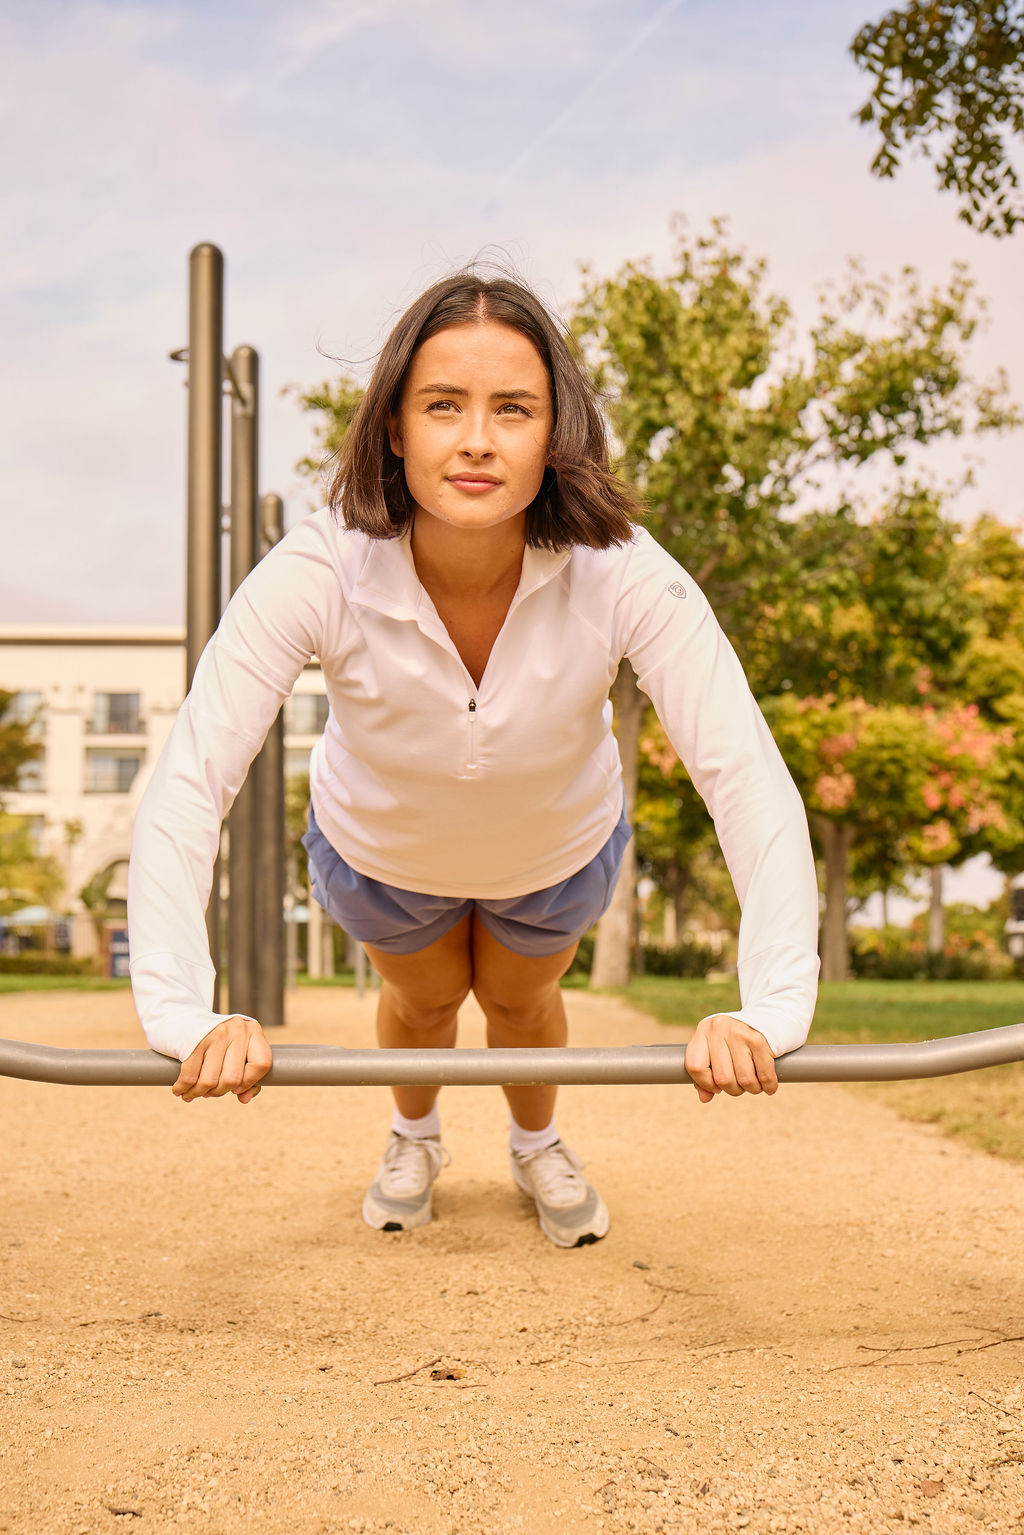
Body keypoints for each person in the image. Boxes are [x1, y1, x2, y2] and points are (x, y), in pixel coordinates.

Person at [127, 266, 821, 1250]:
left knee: (518, 998)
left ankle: (536, 1144)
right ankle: (413, 1133)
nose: (479, 439)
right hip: (381, 848)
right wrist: (181, 1011)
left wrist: (771, 1008)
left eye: (514, 408)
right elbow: (194, 775)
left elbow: (741, 772)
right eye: (444, 404)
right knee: (421, 1000)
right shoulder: (319, 567)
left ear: (556, 432)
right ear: (397, 427)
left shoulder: (621, 568)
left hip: (553, 848)